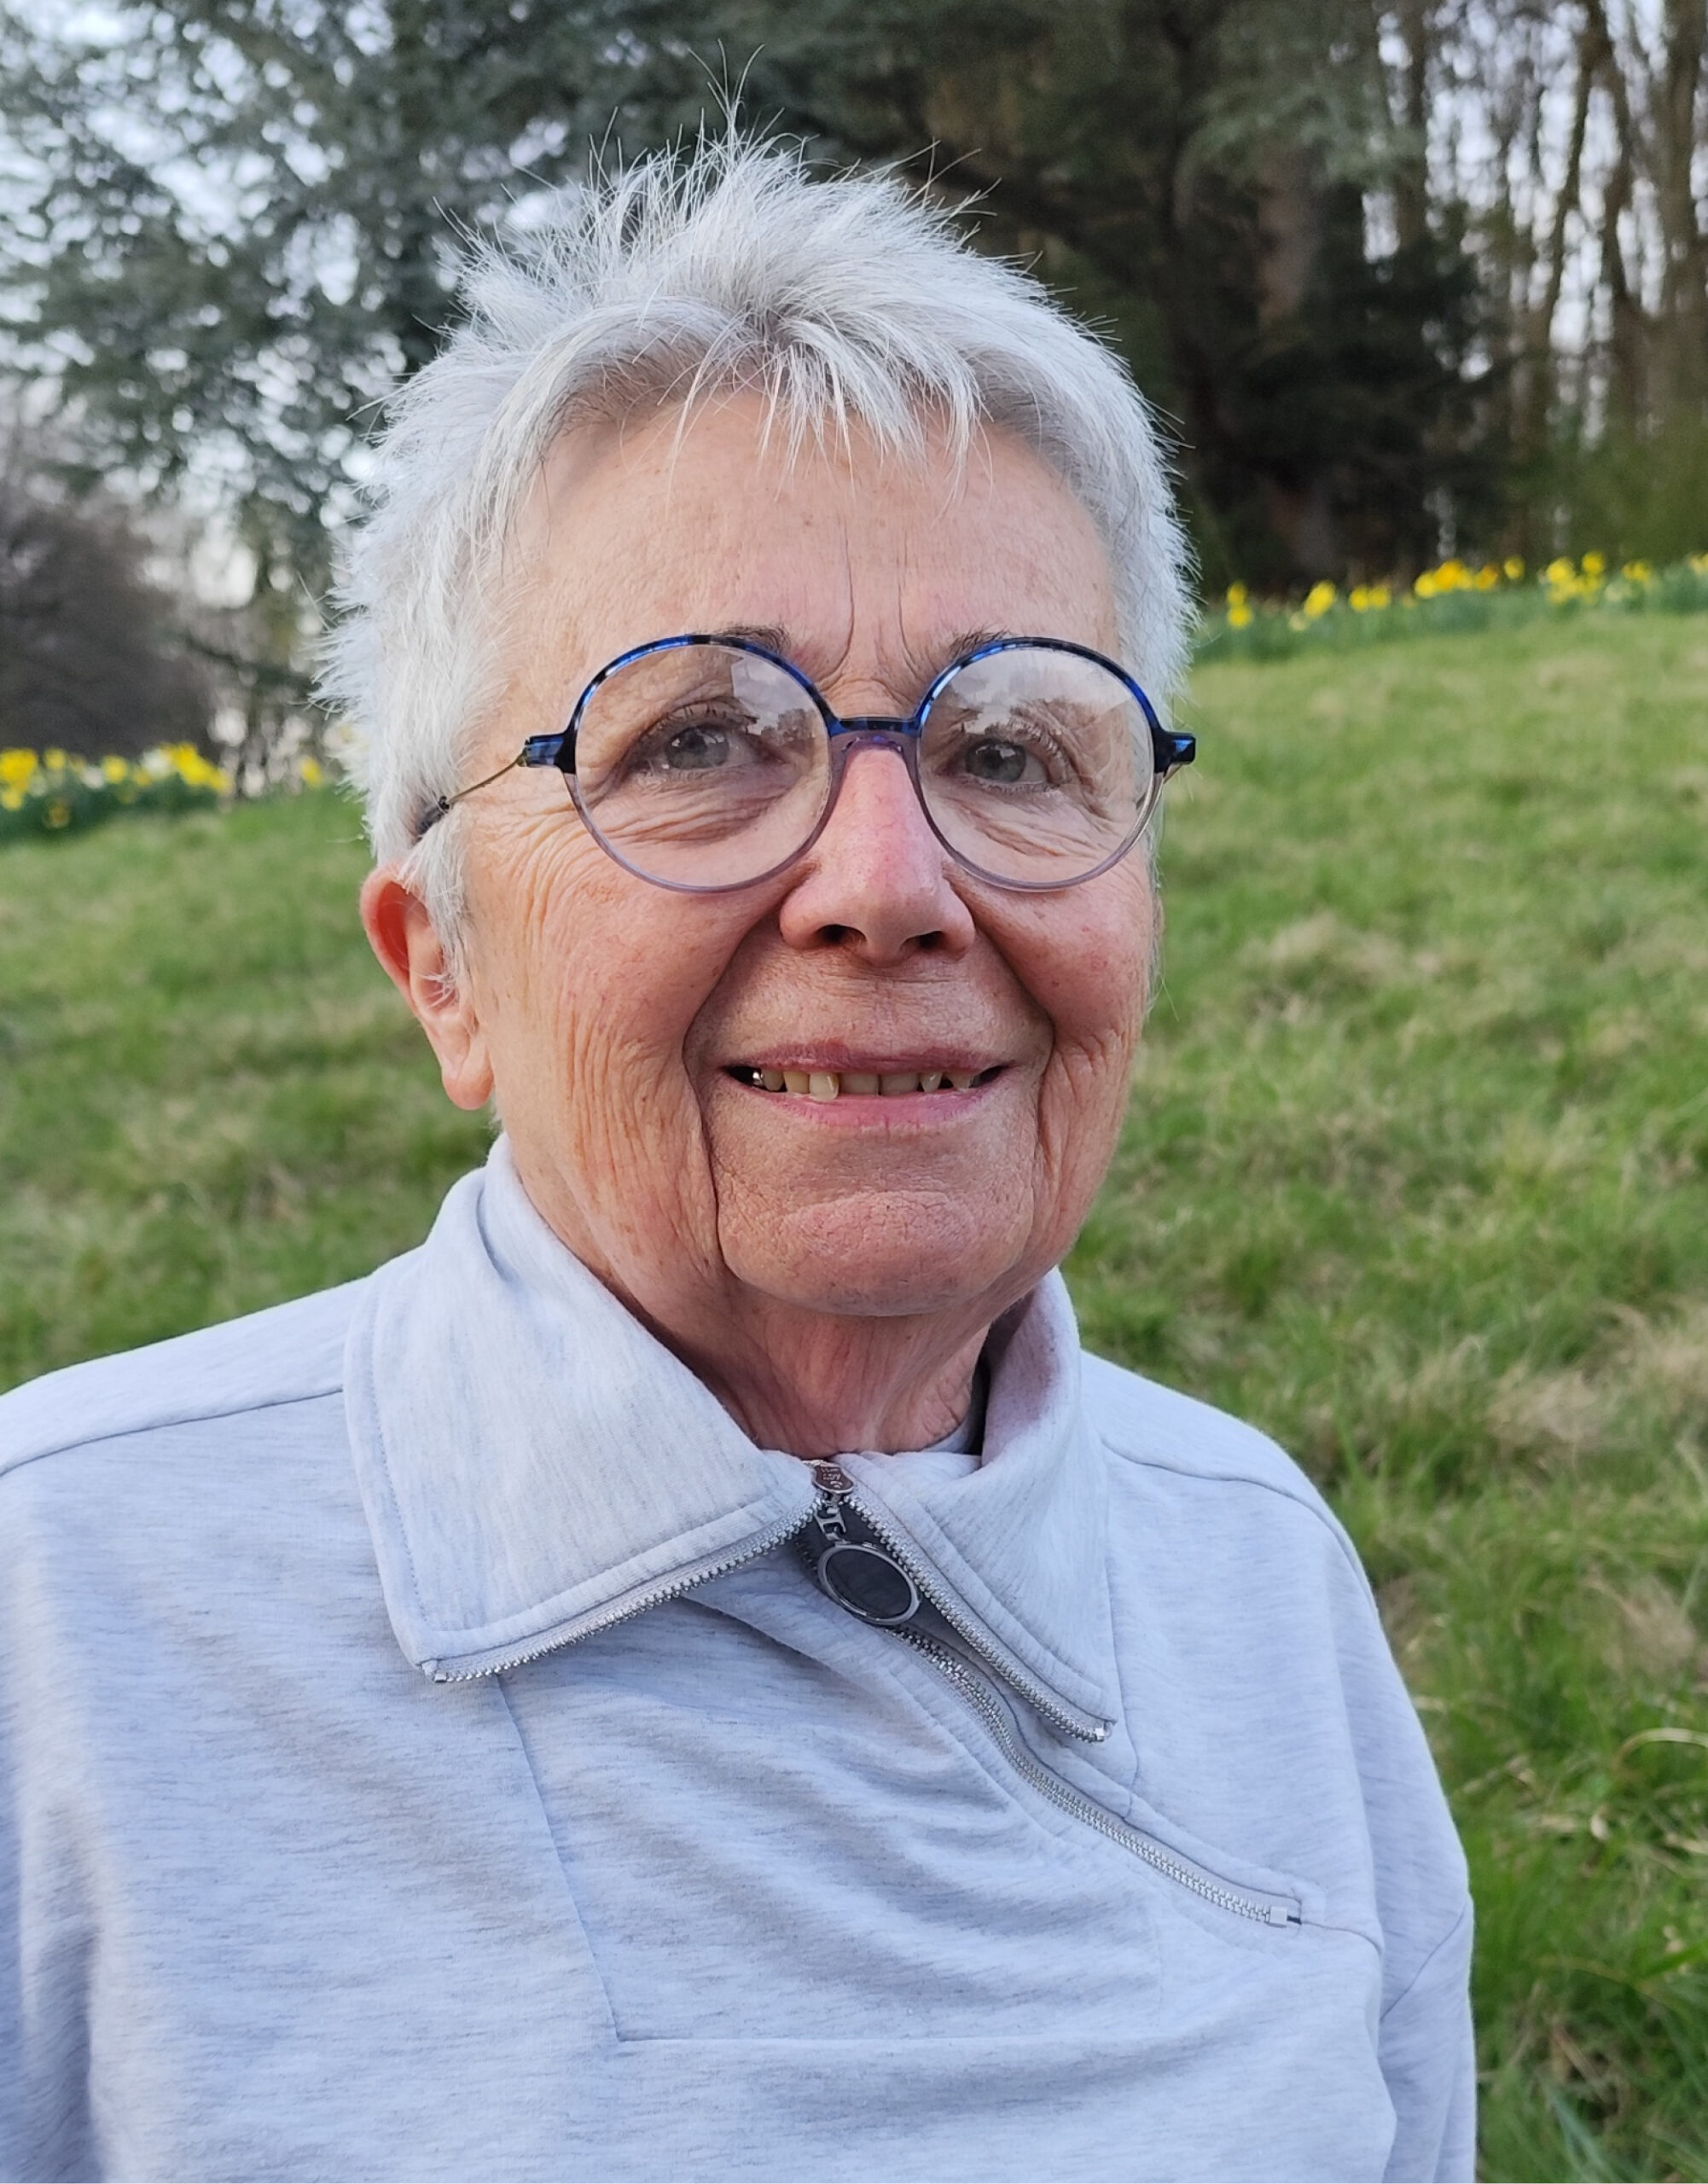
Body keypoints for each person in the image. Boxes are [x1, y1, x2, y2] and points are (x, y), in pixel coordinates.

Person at [0, 138, 1472, 2183]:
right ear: (443, 970)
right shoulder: (59, 1622)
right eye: (695, 740)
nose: (890, 882)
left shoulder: (1252, 1570)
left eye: (1007, 749)